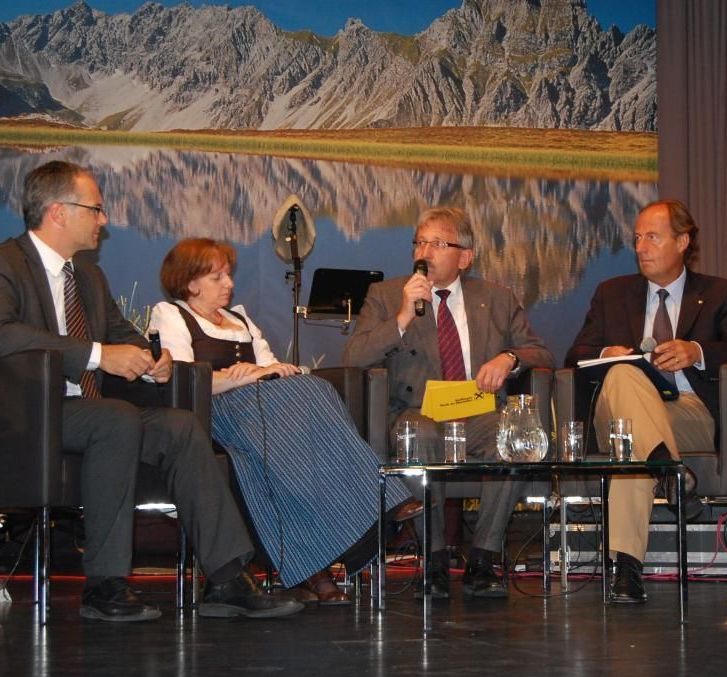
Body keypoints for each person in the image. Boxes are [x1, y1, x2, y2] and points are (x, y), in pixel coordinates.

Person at [0, 160, 302, 621]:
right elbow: (6, 334)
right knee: (115, 419)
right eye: (96, 209)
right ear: (59, 211)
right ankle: (104, 584)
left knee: (180, 426)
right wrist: (100, 356)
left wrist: (154, 363)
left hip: (91, 412)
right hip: (30, 413)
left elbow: (125, 334)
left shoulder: (88, 277)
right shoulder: (7, 264)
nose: (104, 220)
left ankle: (225, 577)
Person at [148, 239, 419, 605]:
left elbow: (269, 368)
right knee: (296, 414)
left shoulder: (239, 319)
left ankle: (312, 569)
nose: (229, 283)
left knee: (312, 393)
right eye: (218, 277)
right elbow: (180, 380)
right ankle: (383, 496)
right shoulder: (171, 315)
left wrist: (267, 371)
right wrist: (237, 377)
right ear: (191, 282)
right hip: (215, 414)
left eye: (228, 274)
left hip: (261, 413)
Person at [343, 206, 554, 599]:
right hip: (417, 411)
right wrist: (403, 317)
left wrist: (508, 359)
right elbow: (354, 357)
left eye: (438, 243)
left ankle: (484, 558)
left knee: (510, 434)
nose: (425, 251)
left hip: (477, 410)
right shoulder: (388, 296)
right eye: (419, 242)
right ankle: (435, 558)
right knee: (416, 432)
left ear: (465, 256)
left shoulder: (496, 297)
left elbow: (540, 352)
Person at [565, 199, 727, 604]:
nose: (641, 247)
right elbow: (575, 354)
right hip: (615, 409)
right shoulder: (612, 293)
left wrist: (697, 350)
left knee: (630, 441)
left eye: (652, 237)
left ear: (683, 241)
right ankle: (668, 469)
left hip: (688, 411)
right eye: (636, 238)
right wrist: (607, 354)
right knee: (622, 374)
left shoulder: (719, 293)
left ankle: (628, 568)